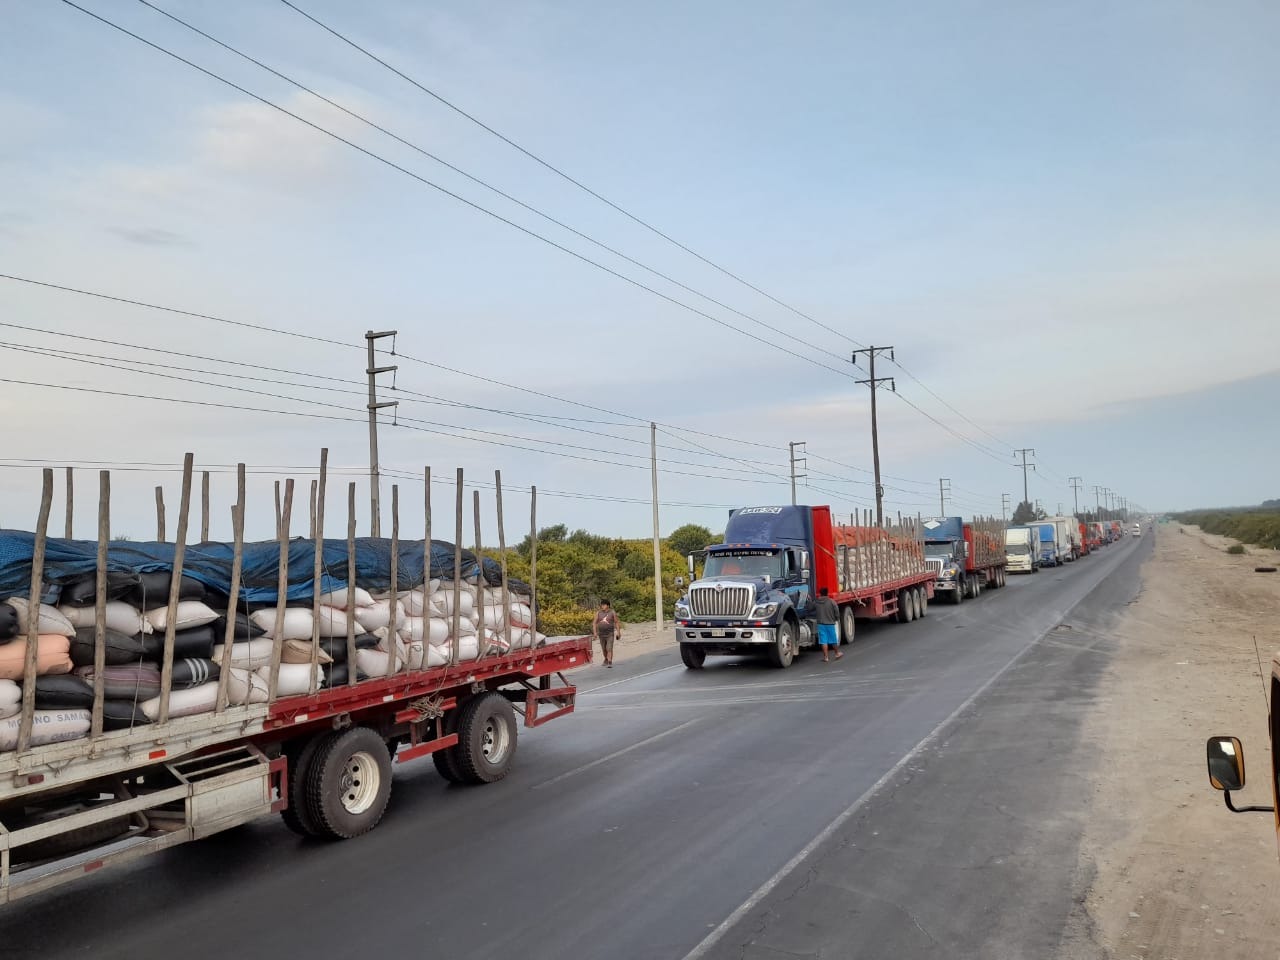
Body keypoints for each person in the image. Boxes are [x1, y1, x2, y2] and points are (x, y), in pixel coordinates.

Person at [815, 587, 841, 662]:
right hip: (830, 623)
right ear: (827, 593)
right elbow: (836, 611)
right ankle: (837, 653)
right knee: (833, 639)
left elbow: (810, 608)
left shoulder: (817, 602)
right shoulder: (832, 602)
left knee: (823, 641)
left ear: (820, 593)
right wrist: (836, 618)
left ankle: (826, 657)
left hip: (820, 624)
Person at [593, 599, 621, 667]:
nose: (602, 606)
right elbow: (594, 623)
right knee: (604, 649)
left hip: (610, 634)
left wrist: (618, 632)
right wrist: (595, 633)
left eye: (604, 605)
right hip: (601, 634)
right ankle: (606, 659)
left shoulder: (612, 612)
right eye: (602, 605)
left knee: (609, 648)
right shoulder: (598, 613)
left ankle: (609, 661)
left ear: (608, 605)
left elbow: (616, 622)